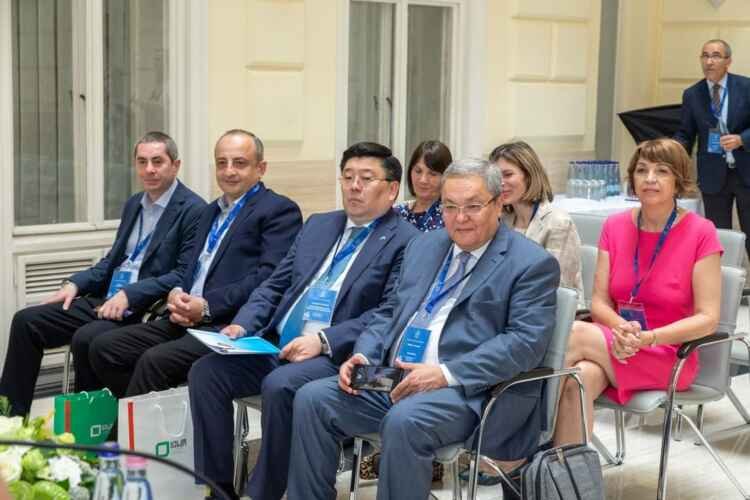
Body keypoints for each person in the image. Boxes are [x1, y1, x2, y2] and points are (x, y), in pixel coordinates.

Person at [286, 159, 561, 500]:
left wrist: (444, 374)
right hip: (394, 377)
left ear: (498, 202)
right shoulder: (425, 245)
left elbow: (524, 343)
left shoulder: (531, 263)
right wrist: (363, 354)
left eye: (473, 206)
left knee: (405, 421)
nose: (460, 218)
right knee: (313, 398)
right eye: (450, 206)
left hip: (469, 390)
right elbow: (389, 311)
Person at [188, 142, 419, 500]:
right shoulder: (320, 225)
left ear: (391, 189)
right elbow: (276, 284)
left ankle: (263, 491)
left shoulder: (407, 241)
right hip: (277, 343)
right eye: (348, 177)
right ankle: (218, 488)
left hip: (335, 357)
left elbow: (388, 314)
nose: (354, 186)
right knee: (207, 372)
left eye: (366, 178)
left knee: (282, 385)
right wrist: (244, 324)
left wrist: (324, 340)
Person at [0, 131, 206, 416]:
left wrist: (129, 294)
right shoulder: (135, 203)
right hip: (106, 298)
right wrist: (75, 283)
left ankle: (88, 431)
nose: (149, 169)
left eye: (157, 161)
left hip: (143, 308)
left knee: (87, 337)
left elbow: (181, 275)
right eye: (142, 161)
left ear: (176, 165)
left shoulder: (194, 210)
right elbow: (112, 262)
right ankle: (9, 420)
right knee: (26, 321)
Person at [88, 129, 302, 397]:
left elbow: (267, 278)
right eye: (222, 163)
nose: (229, 171)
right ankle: (157, 423)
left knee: (154, 362)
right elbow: (190, 267)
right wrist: (177, 294)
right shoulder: (210, 210)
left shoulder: (278, 210)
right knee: (103, 347)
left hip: (227, 325)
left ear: (261, 168)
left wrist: (207, 308)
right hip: (184, 317)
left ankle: (130, 436)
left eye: (240, 163)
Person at [554, 138, 722, 448]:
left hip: (668, 353)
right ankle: (569, 484)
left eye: (662, 171)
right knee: (576, 380)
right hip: (614, 342)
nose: (650, 179)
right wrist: (621, 330)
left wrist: (648, 338)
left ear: (678, 180)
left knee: (572, 334)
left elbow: (708, 320)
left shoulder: (701, 232)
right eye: (642, 170)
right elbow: (600, 301)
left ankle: (511, 451)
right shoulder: (615, 226)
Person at [674, 39, 750, 259]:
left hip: (746, 172)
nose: (709, 61)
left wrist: (742, 139)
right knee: (718, 238)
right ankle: (721, 286)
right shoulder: (692, 94)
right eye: (705, 56)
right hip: (713, 175)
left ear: (728, 61)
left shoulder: (746, 88)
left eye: (715, 56)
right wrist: (674, 149)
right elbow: (685, 133)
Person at [492, 141, 584, 303]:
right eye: (496, 177)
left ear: (529, 175)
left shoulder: (558, 223)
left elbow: (557, 287)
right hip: (507, 304)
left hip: (551, 311)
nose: (501, 183)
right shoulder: (502, 220)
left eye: (508, 175)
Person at [394, 140, 452, 231]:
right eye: (418, 171)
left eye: (432, 174)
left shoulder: (450, 216)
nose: (423, 180)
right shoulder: (396, 213)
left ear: (445, 176)